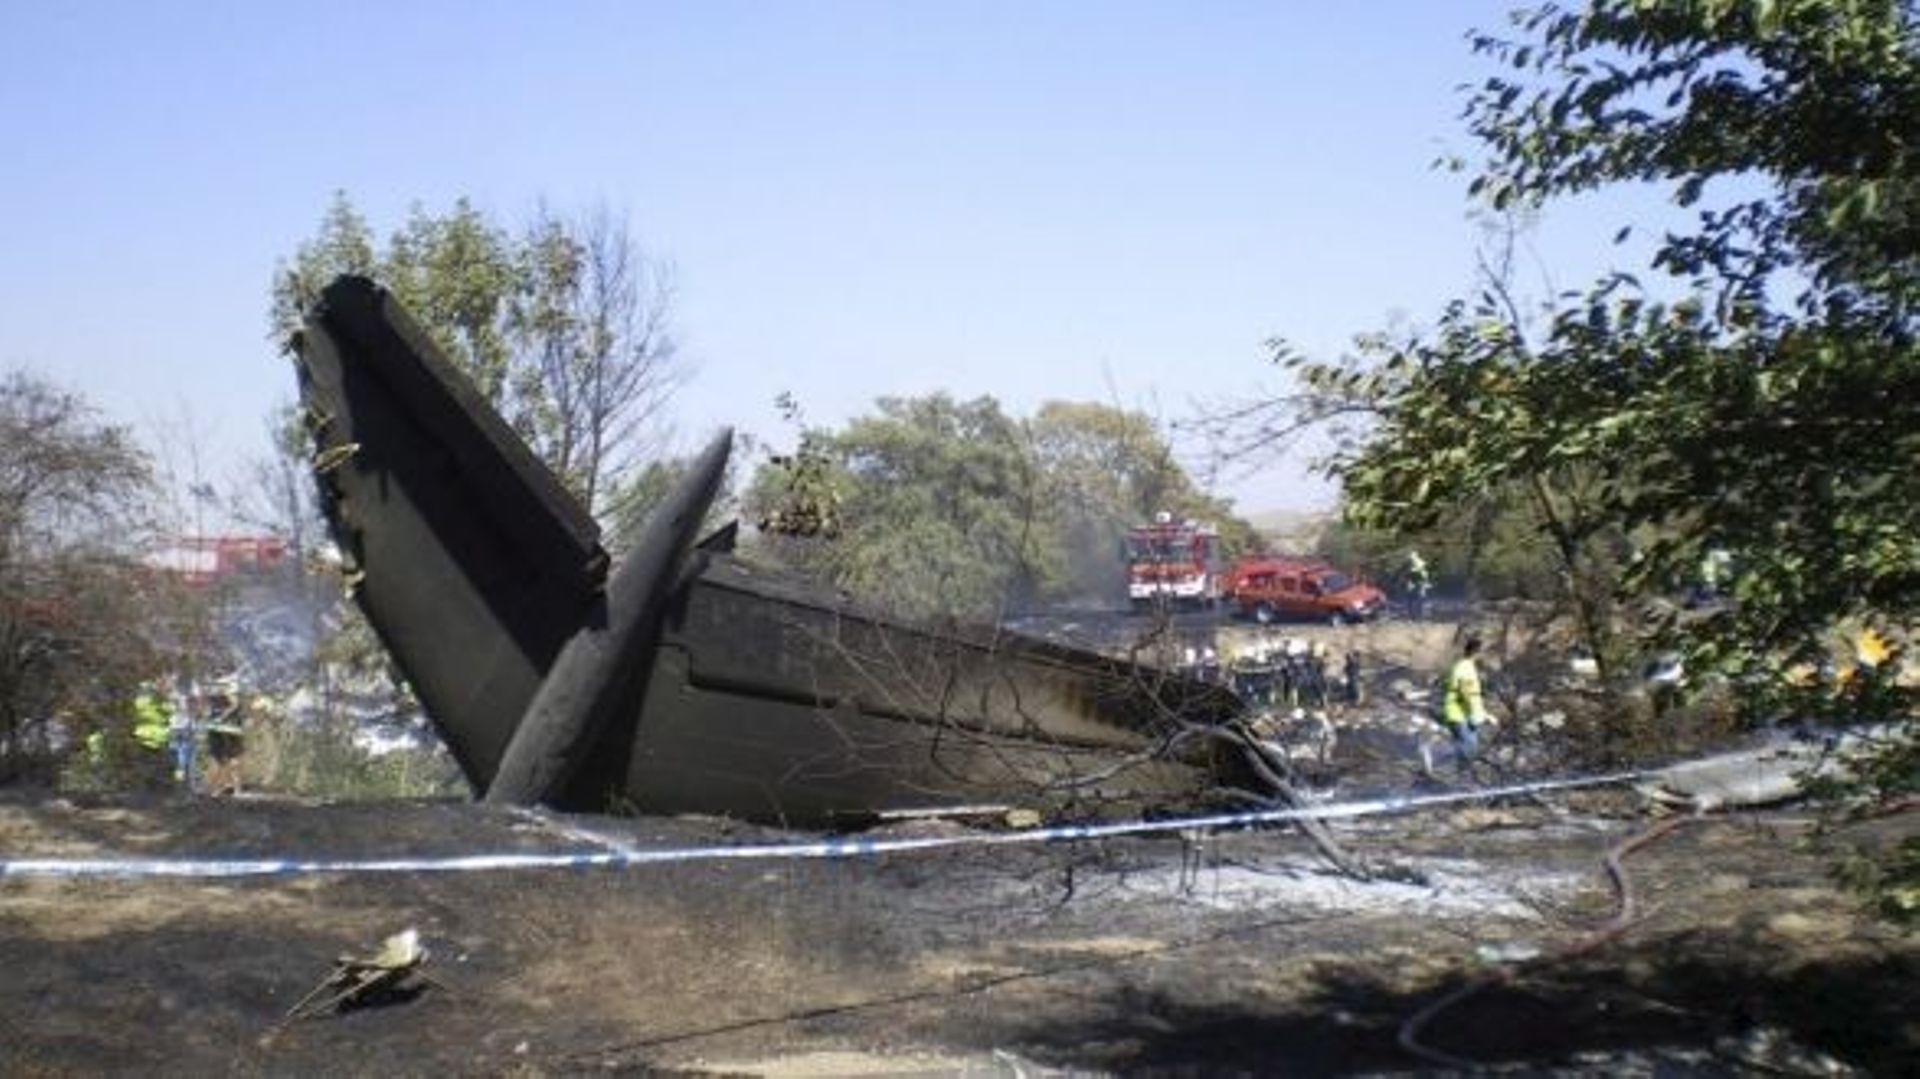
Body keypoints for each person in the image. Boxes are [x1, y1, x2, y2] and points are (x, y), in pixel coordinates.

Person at [1439, 635, 1491, 773]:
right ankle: (1463, 775)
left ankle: (1462, 773)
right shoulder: (1464, 667)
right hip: (1459, 713)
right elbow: (1464, 691)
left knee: (1470, 746)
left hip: (1466, 713)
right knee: (1468, 746)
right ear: (1476, 652)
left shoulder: (1468, 666)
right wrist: (1476, 712)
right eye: (1483, 651)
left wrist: (1484, 713)